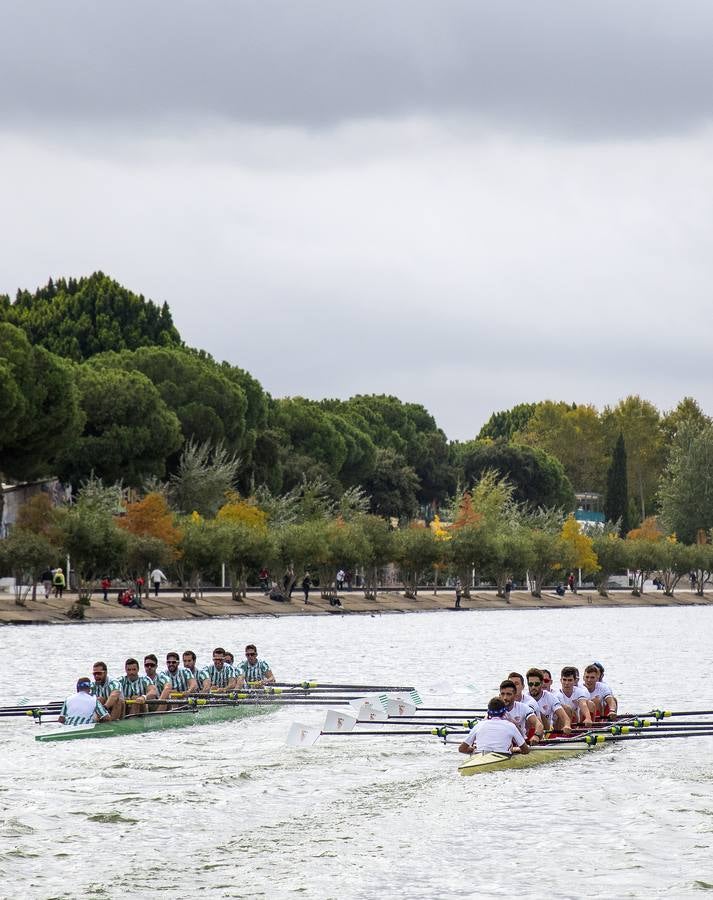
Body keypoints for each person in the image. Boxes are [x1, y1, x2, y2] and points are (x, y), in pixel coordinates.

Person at [458, 697, 530, 756]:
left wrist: (473, 749)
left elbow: (462, 749)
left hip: (480, 755)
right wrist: (514, 749)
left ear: (488, 712)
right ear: (504, 713)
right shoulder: (511, 726)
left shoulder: (479, 725)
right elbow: (525, 750)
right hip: (503, 756)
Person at [525, 667, 571, 733]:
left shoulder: (550, 697)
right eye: (531, 684)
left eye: (536, 684)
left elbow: (564, 717)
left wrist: (567, 725)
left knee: (540, 714)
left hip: (547, 731)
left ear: (541, 683)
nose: (533, 687)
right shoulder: (524, 699)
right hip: (529, 733)